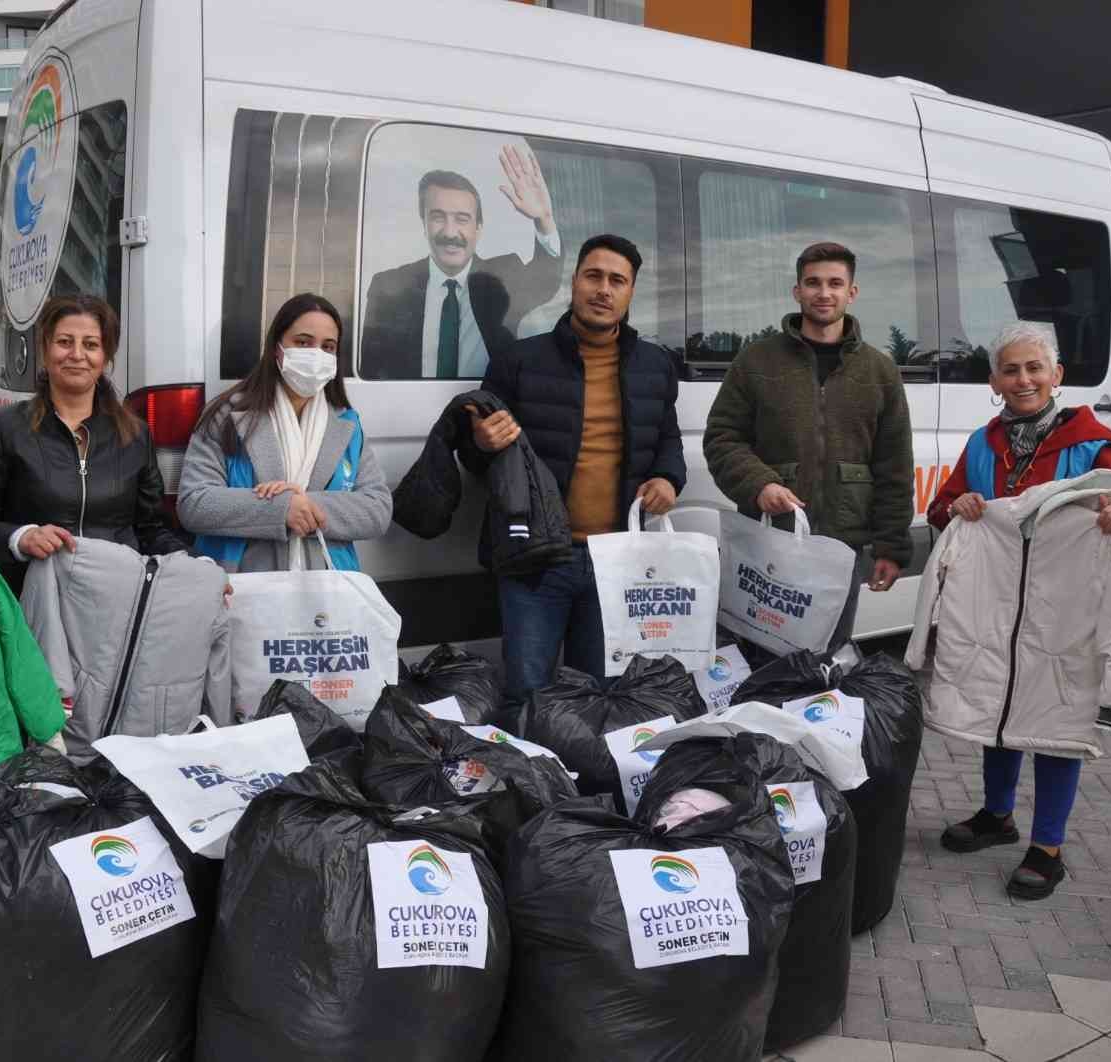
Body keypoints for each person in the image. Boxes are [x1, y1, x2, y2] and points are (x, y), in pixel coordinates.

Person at [928, 322, 1111, 899]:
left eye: (1034, 369)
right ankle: (997, 817)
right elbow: (943, 506)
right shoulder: (984, 442)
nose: (1023, 379)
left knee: (1056, 720)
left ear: (1057, 377)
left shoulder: (1095, 444)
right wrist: (960, 504)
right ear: (995, 381)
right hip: (997, 604)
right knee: (998, 707)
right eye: (1010, 370)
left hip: (1062, 609)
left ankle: (1048, 847)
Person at [468, 234, 685, 708]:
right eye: (594, 276)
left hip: (616, 559)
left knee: (598, 694)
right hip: (536, 559)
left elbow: (667, 437)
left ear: (630, 293)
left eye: (617, 281)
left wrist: (669, 478)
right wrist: (480, 443)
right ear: (574, 282)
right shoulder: (519, 361)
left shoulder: (656, 365)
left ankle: (588, 784)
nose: (603, 289)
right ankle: (533, 783)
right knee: (528, 692)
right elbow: (478, 458)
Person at [702, 241, 914, 645]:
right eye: (813, 283)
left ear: (851, 293)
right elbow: (722, 438)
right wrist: (759, 484)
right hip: (770, 542)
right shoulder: (756, 362)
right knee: (756, 653)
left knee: (825, 656)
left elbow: (895, 466)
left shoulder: (880, 371)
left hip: (841, 547)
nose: (824, 293)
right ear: (797, 291)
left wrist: (890, 547)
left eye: (835, 283)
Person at [0, 294, 188, 595]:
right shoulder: (5, 428)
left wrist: (195, 566)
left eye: (91, 344)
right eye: (65, 342)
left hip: (115, 602)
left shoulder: (135, 435)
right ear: (45, 349)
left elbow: (150, 529)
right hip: (31, 602)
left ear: (106, 356)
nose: (77, 354)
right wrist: (21, 537)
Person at [178, 292, 392, 571]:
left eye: (328, 347)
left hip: (326, 588)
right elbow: (195, 503)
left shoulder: (347, 424)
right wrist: (280, 510)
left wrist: (303, 504)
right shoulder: (227, 416)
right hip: (242, 583)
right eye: (303, 342)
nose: (316, 355)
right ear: (276, 347)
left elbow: (377, 509)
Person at [362, 145, 563, 379]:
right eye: (438, 217)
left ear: (478, 228)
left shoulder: (503, 277)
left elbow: (547, 278)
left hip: (486, 410)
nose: (450, 232)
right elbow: (372, 367)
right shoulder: (388, 286)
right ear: (423, 223)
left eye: (462, 219)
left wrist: (544, 219)